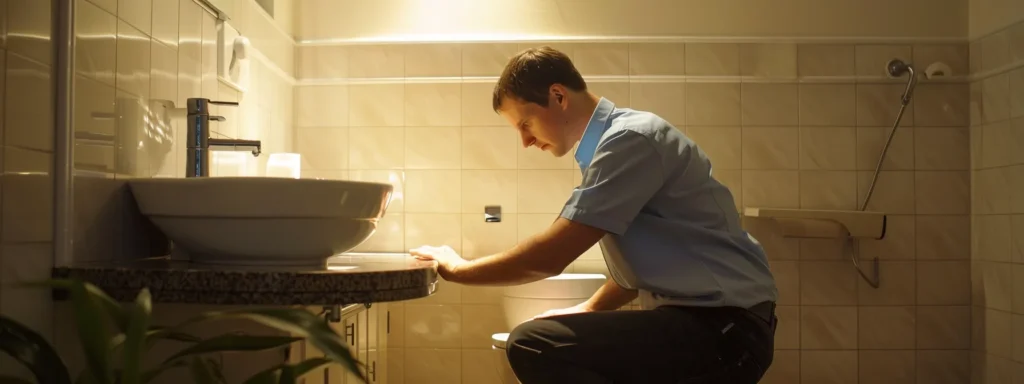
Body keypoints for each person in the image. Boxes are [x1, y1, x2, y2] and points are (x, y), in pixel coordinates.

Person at [409, 46, 778, 384]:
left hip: (726, 329)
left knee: (533, 344)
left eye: (525, 124)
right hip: (716, 324)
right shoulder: (615, 146)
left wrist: (456, 268)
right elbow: (644, 271)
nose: (525, 141)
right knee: (546, 337)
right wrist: (587, 308)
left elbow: (552, 257)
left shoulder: (631, 140)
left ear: (558, 96)